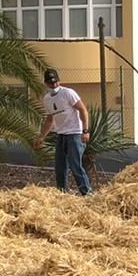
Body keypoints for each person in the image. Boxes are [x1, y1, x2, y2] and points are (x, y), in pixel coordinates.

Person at [34, 67, 92, 196]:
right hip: (61, 134)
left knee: (75, 165)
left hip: (74, 134)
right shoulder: (47, 99)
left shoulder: (68, 93)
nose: (54, 85)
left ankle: (87, 193)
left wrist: (85, 130)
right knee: (60, 167)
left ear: (58, 81)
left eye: (55, 82)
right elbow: (50, 119)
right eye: (50, 83)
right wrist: (41, 137)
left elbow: (83, 110)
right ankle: (62, 193)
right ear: (46, 84)